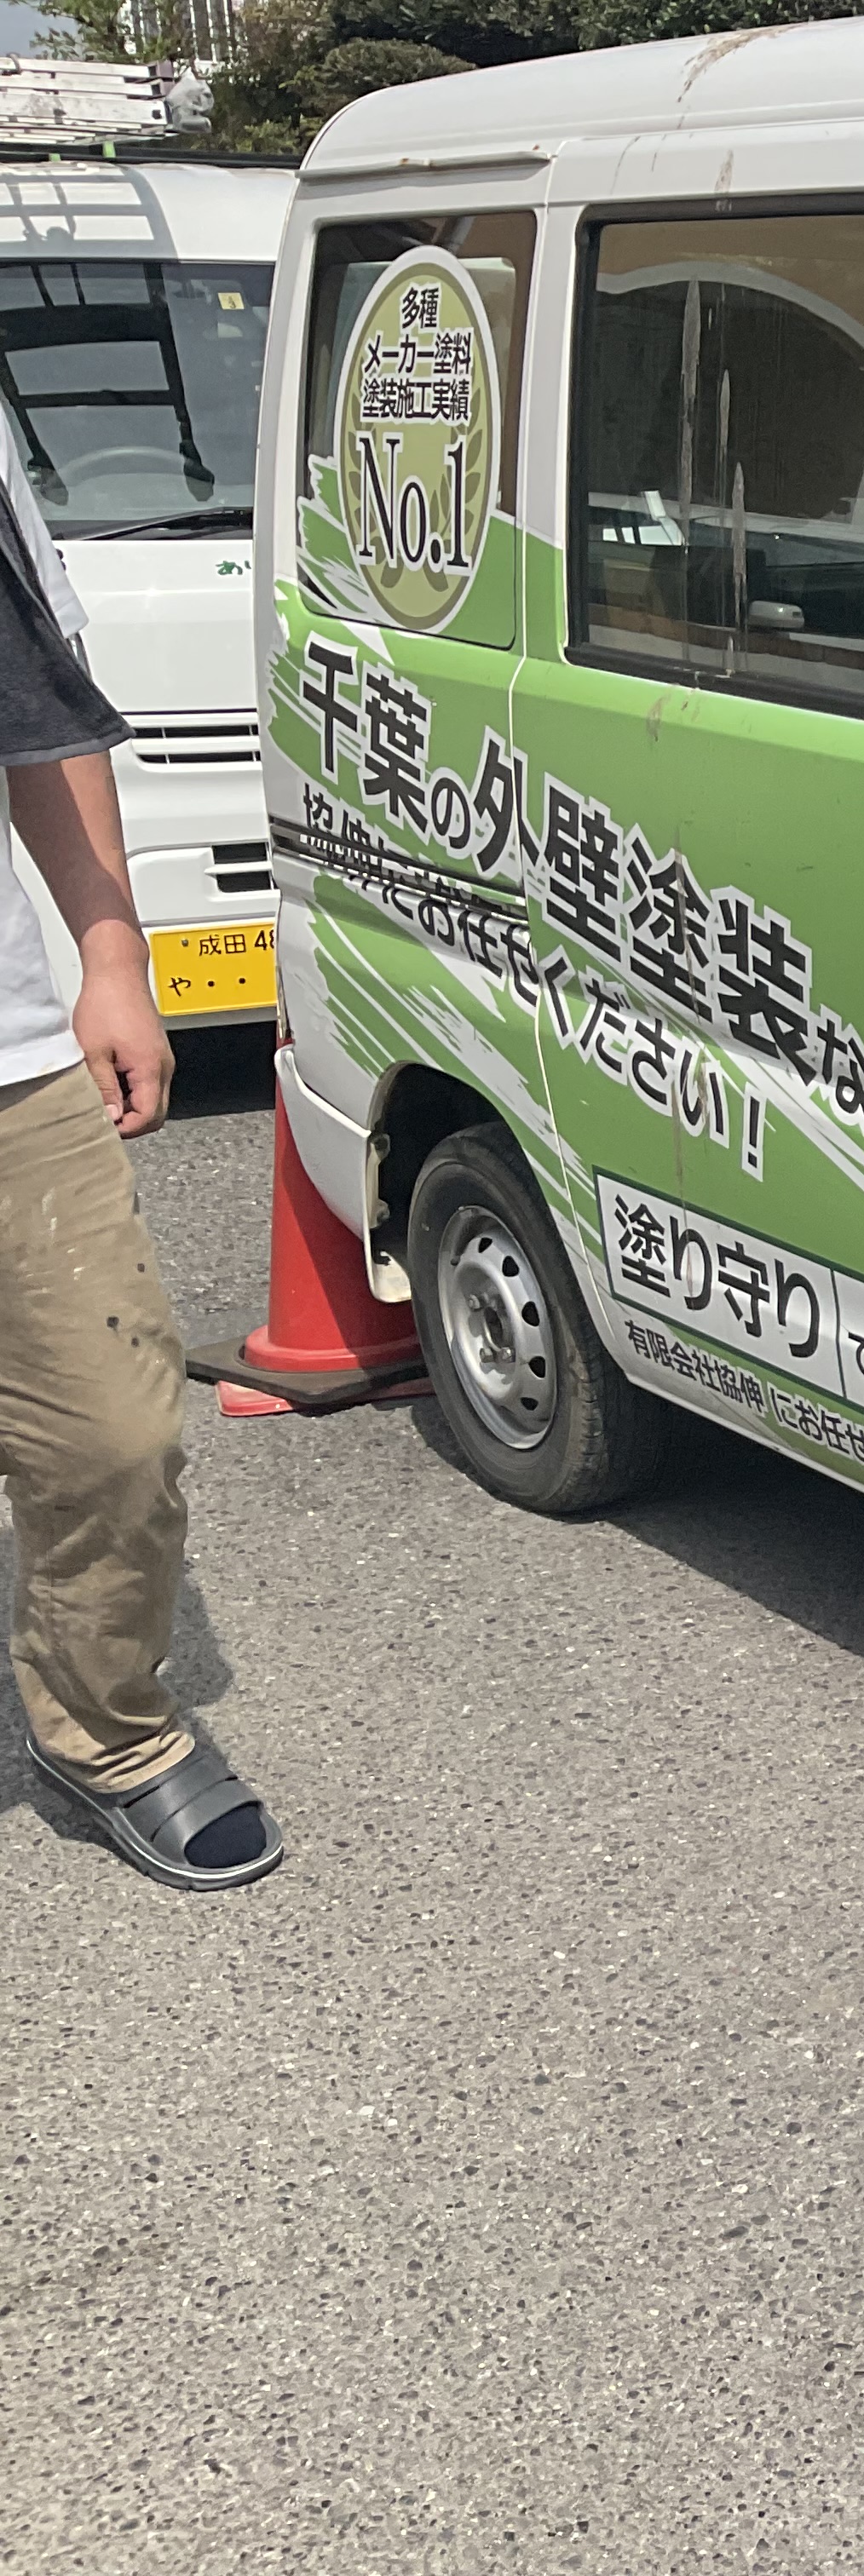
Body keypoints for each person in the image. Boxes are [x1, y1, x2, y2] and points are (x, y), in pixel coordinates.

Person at [0, 434, 277, 1888]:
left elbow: (32, 692)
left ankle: (101, 1726)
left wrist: (113, 952)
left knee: (113, 1433)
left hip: (7, 1057)